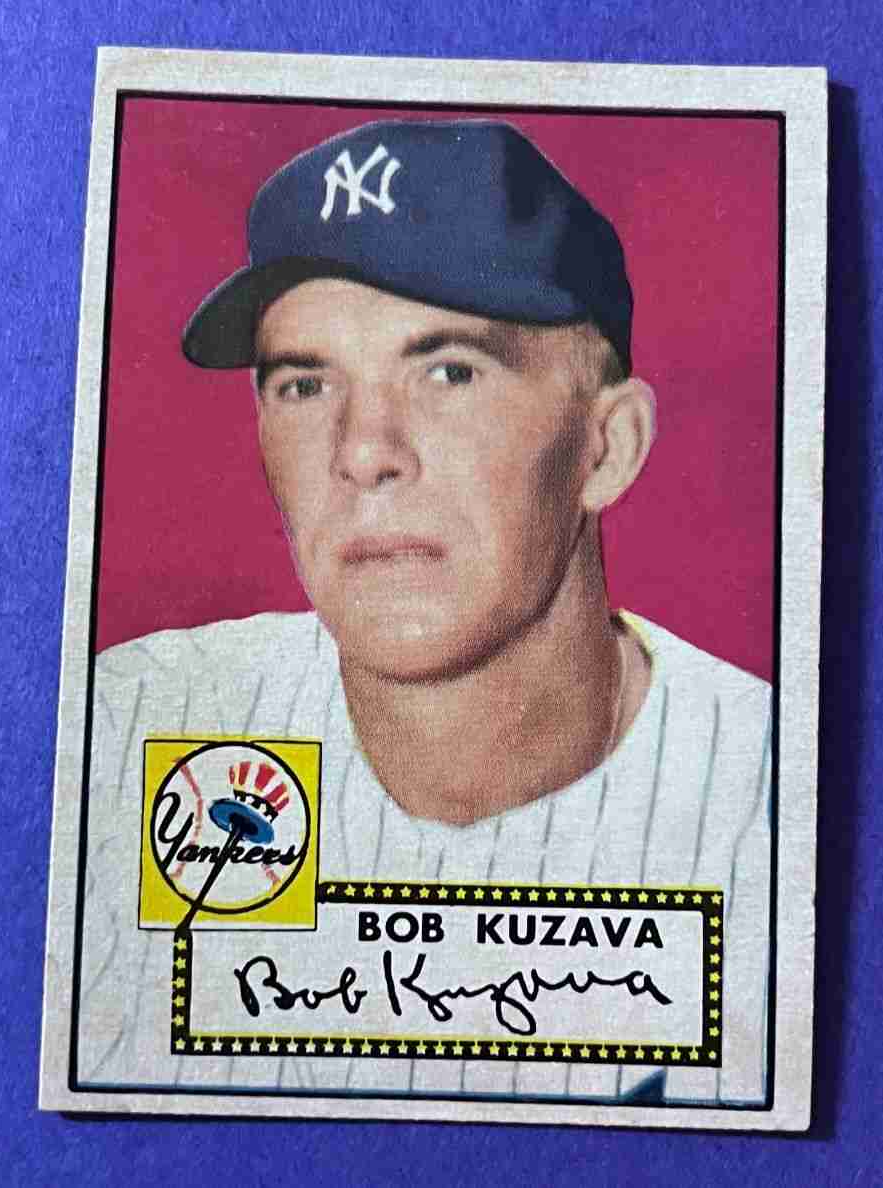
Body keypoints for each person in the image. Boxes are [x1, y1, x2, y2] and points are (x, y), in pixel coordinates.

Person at [80, 119, 771, 1105]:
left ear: (607, 447)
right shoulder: (121, 730)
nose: (363, 451)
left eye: (449, 372)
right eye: (305, 383)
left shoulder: (780, 802)